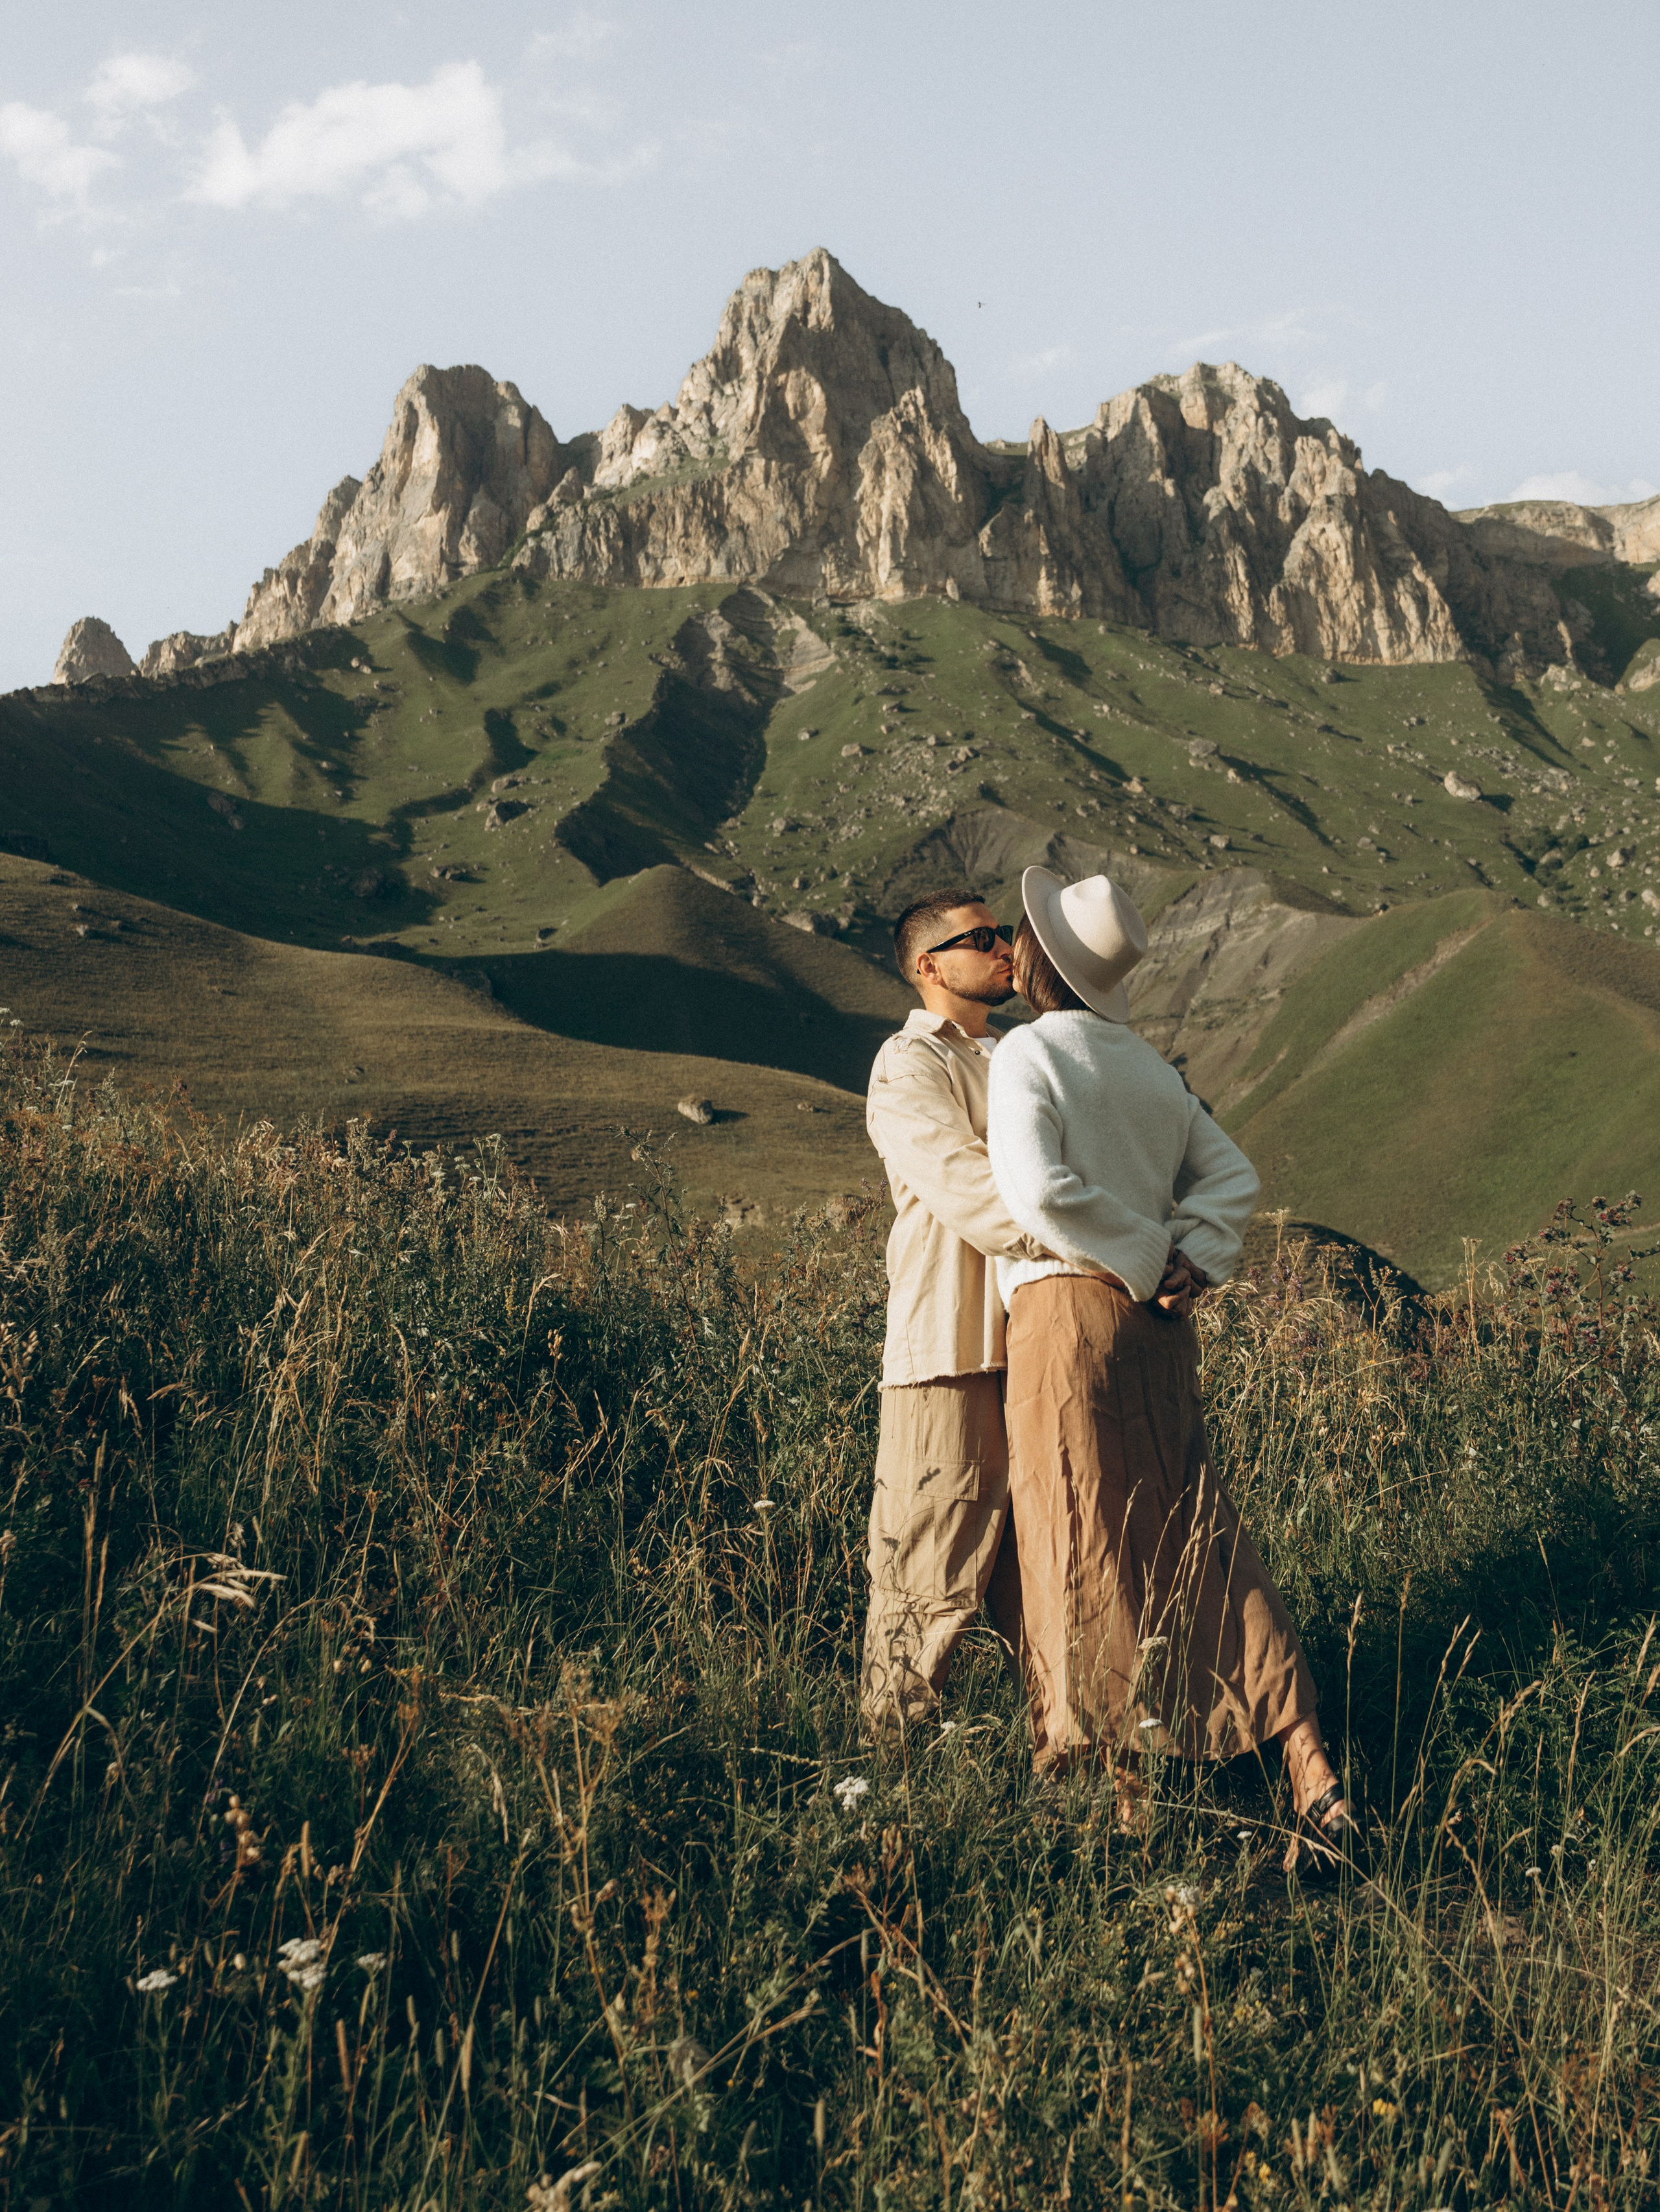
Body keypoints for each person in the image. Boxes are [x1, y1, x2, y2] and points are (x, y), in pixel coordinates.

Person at [985, 867, 1362, 1868]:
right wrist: (1188, 1254)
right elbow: (1233, 1175)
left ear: (1036, 960)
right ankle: (1310, 1769)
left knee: (1078, 1536)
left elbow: (1036, 1192)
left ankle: (1121, 1802)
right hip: (1161, 1332)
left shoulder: (1026, 1055)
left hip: (1070, 1315)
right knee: (1204, 1533)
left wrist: (1143, 1253)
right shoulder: (1151, 1069)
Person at [860, 888, 1052, 1737]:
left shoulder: (1024, 1057)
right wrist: (1096, 1241)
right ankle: (891, 1787)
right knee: (926, 1573)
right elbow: (970, 1191)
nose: (1006, 947)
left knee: (1040, 1570)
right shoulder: (910, 1065)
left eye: (1006, 932)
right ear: (928, 966)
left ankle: (1061, 1767)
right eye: (983, 937)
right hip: (950, 1344)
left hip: (1039, 1343)